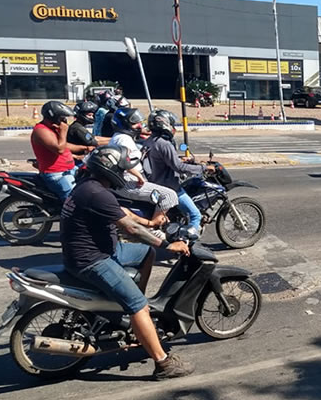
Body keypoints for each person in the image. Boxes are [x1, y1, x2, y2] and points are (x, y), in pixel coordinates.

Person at [61, 145, 194, 379]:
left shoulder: (87, 185)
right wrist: (166, 244)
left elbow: (122, 212)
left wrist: (150, 222)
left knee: (145, 253)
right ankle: (163, 363)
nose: (124, 175)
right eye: (122, 170)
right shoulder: (97, 193)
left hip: (102, 249)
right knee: (139, 305)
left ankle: (130, 311)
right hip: (93, 259)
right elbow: (130, 228)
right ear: (110, 170)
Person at [143, 110, 213, 232]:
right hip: (169, 187)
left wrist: (180, 159)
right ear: (165, 124)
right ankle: (188, 242)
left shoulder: (150, 141)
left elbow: (163, 160)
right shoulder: (164, 144)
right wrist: (203, 168)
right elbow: (179, 168)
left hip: (154, 183)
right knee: (195, 215)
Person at [108, 108, 179, 226]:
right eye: (135, 123)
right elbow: (124, 161)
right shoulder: (123, 140)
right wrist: (139, 177)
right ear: (125, 124)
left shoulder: (120, 137)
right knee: (169, 195)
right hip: (128, 182)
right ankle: (153, 227)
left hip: (125, 180)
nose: (140, 126)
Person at [30, 101, 91, 201]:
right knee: (74, 202)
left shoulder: (53, 129)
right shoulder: (41, 130)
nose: (65, 120)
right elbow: (60, 149)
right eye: (62, 117)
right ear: (54, 117)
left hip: (69, 169)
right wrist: (64, 131)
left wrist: (85, 148)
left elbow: (65, 145)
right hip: (57, 174)